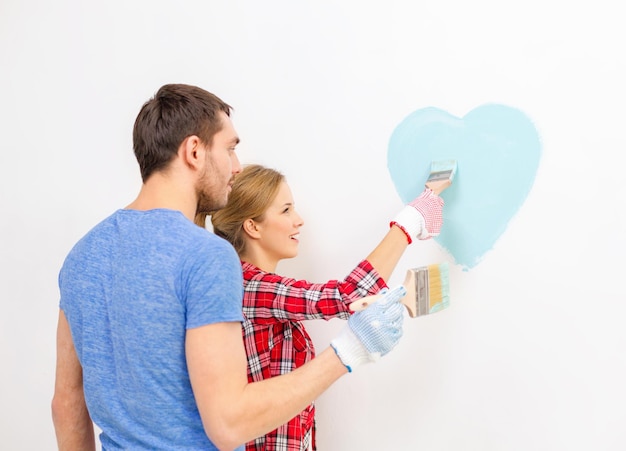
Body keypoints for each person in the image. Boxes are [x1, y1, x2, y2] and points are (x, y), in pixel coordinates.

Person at [51, 84, 407, 451]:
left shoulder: (82, 256)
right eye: (230, 148)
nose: (236, 167)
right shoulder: (206, 255)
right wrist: (349, 351)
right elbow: (228, 422)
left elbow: (66, 404)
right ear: (193, 151)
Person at [198, 163, 445, 450]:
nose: (299, 220)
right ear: (252, 226)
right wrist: (410, 222)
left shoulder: (254, 288)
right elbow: (350, 294)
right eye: (286, 210)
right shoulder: (251, 287)